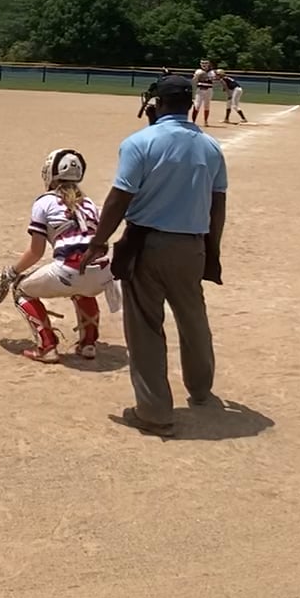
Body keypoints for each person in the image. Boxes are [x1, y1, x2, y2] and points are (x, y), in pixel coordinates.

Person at [91, 74, 228, 437]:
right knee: (193, 317)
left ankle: (154, 412)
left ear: (158, 104)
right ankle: (201, 389)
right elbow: (217, 205)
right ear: (191, 104)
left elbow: (120, 198)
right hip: (192, 245)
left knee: (146, 326)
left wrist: (98, 242)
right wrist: (211, 250)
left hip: (147, 245)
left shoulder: (140, 142)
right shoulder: (211, 147)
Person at [0, 149, 111, 363]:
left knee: (21, 289)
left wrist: (11, 272)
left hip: (69, 271)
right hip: (102, 273)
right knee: (84, 287)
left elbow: (36, 252)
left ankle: (47, 347)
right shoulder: (89, 203)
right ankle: (88, 344)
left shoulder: (44, 202)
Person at [191, 59, 216, 125]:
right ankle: (193, 121)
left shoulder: (211, 72)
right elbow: (194, 81)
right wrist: (197, 76)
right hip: (200, 89)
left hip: (208, 89)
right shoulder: (198, 71)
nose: (204, 65)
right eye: (203, 63)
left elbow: (214, 81)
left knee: (207, 105)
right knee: (197, 105)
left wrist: (209, 77)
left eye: (206, 63)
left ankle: (205, 121)